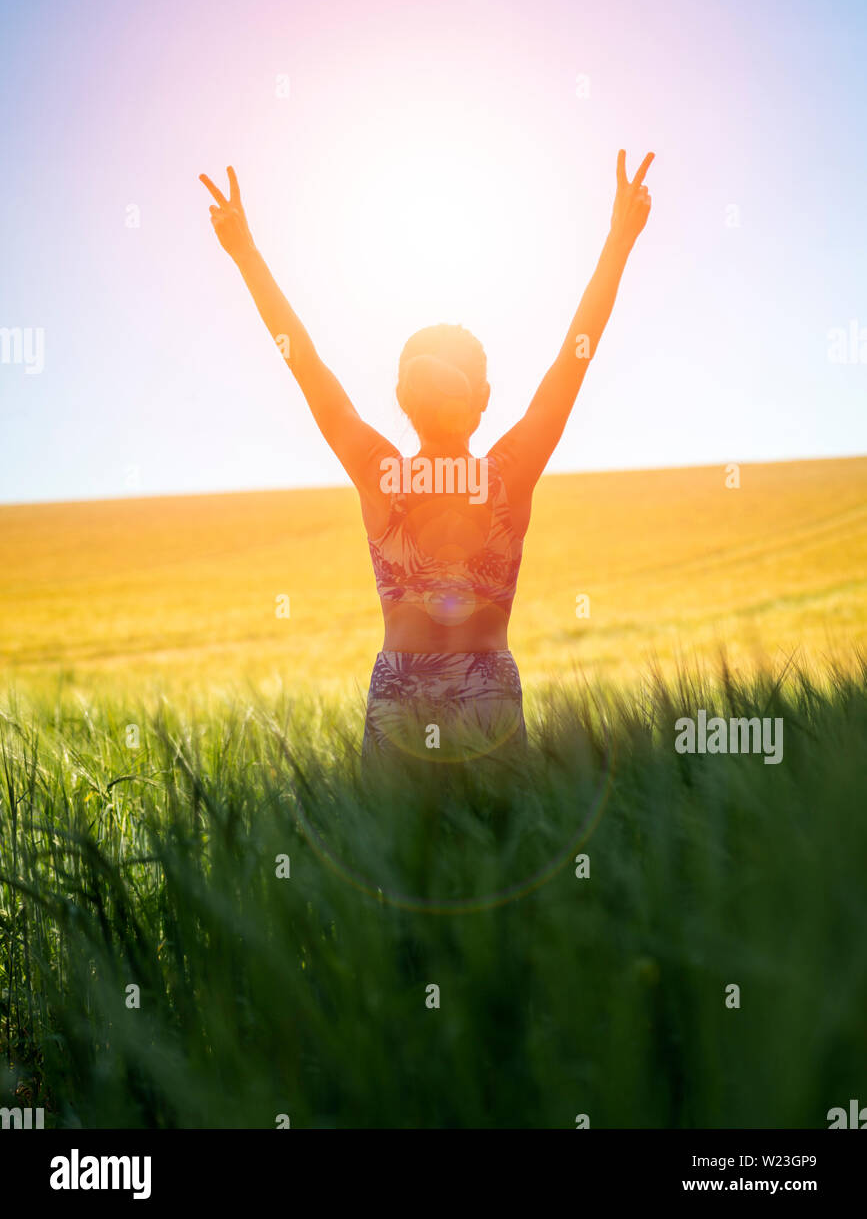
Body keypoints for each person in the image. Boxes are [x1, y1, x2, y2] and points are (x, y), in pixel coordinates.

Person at [199, 149, 654, 781]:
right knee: (496, 867)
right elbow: (572, 361)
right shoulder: (508, 473)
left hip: (399, 696)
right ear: (484, 399)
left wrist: (245, 254)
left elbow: (303, 362)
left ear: (405, 401)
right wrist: (618, 241)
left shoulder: (379, 471)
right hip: (487, 691)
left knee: (399, 877)